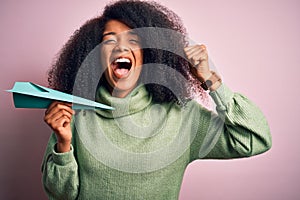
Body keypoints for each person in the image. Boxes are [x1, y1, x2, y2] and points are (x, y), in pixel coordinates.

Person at [42, 0, 272, 199]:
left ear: (149, 54)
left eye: (133, 40)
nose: (121, 46)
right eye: (109, 41)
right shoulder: (74, 114)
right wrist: (63, 145)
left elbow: (253, 139)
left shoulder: (182, 116)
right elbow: (61, 196)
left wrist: (211, 79)